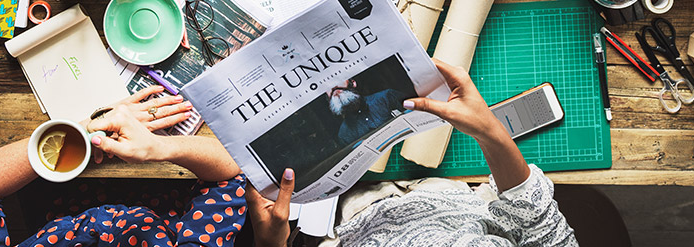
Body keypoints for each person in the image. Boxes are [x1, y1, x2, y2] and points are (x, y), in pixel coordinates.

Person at [247, 60, 577, 247]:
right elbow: (543, 225)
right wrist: (489, 130)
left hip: (339, 221)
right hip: (443, 195)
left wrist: (270, 246)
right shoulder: (360, 117)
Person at [0, 89, 247, 247]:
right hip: (167, 189)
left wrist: (84, 129)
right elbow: (229, 176)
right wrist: (157, 147)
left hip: (55, 192)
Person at [327, 79, 407, 144]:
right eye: (325, 86)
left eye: (337, 79)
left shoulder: (387, 97)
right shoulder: (344, 134)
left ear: (353, 83)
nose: (333, 87)